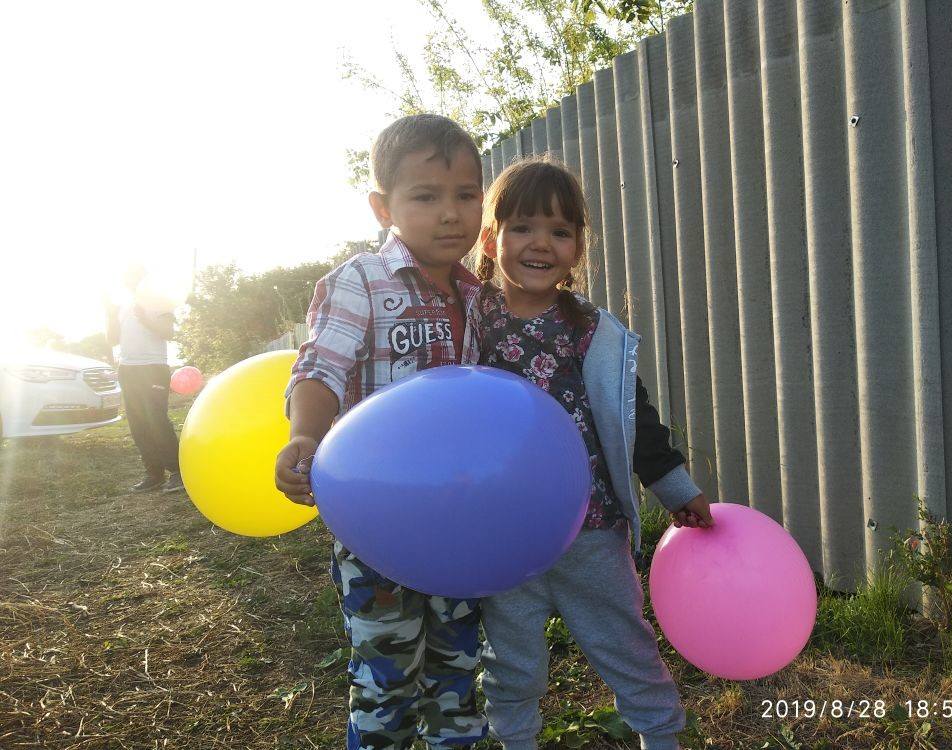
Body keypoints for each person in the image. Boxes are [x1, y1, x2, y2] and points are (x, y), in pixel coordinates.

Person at [474, 157, 714, 750]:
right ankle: (516, 740)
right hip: (503, 539)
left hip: (591, 530)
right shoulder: (468, 321)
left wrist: (678, 491)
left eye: (560, 231)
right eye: (524, 226)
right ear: (490, 237)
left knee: (627, 648)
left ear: (579, 247)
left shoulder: (592, 332)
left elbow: (637, 421)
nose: (541, 243)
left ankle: (660, 736)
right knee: (510, 662)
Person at [274, 114, 489, 750]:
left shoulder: (479, 295)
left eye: (466, 194)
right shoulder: (361, 281)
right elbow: (320, 367)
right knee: (389, 670)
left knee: (457, 662)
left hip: (461, 513)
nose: (450, 214)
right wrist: (304, 437)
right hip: (377, 518)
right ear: (383, 206)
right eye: (426, 197)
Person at [105, 266, 184, 493]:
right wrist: (110, 315)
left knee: (156, 420)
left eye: (133, 277)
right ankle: (154, 473)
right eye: (126, 278)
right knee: (138, 423)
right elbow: (112, 340)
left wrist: (144, 318)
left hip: (153, 367)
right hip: (128, 369)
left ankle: (178, 472)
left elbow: (169, 332)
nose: (129, 282)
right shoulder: (123, 307)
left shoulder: (159, 300)